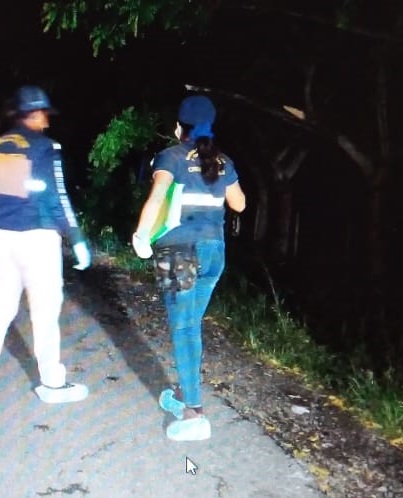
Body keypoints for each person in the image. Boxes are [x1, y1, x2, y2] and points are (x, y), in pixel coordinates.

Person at [0, 85, 92, 404]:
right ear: (33, 114)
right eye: (44, 114)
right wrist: (75, 237)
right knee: (45, 310)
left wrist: (5, 210)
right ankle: (52, 383)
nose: (47, 120)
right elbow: (57, 196)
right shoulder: (46, 147)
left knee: (0, 308)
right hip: (37, 238)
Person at [132, 95, 246, 441]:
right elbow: (239, 203)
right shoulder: (223, 161)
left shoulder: (171, 156)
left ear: (179, 127)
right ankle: (184, 393)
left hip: (180, 253)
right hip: (214, 252)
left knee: (183, 328)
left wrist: (141, 235)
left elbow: (156, 196)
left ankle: (194, 414)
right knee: (191, 325)